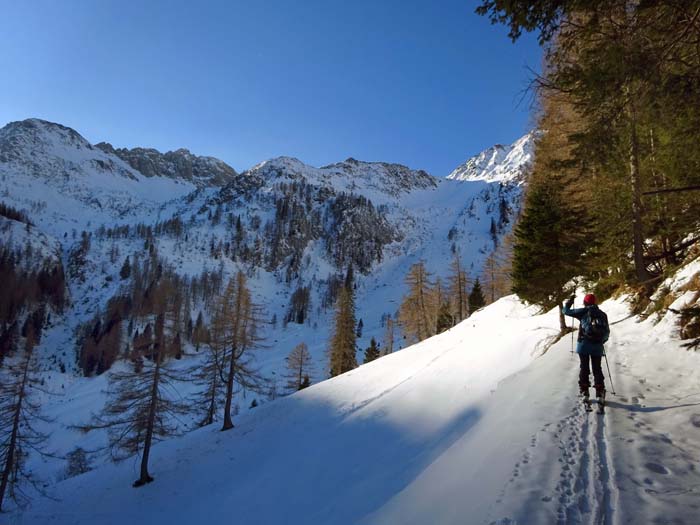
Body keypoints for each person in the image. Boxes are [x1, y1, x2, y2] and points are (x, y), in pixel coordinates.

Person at [563, 293, 610, 402]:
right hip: (597, 346)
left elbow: (565, 311)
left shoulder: (583, 312)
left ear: (585, 302)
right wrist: (601, 341)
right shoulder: (602, 314)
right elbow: (606, 332)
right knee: (597, 368)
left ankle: (584, 391)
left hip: (583, 345)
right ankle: (600, 391)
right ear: (595, 302)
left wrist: (570, 301)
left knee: (584, 367)